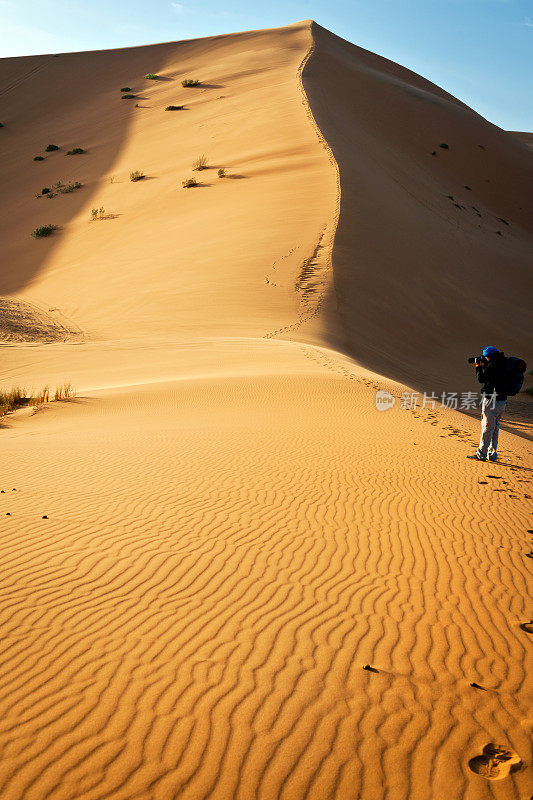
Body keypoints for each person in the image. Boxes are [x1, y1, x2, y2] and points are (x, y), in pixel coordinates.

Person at [467, 346, 507, 462]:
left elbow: (482, 379)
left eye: (485, 356)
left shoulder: (493, 365)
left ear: (488, 356)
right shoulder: (503, 363)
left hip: (491, 400)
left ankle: (481, 454)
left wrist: (478, 367)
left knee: (487, 427)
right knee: (495, 427)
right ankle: (492, 453)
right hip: (502, 400)